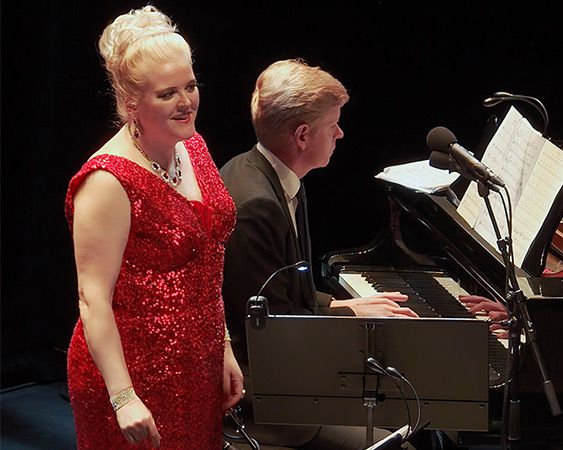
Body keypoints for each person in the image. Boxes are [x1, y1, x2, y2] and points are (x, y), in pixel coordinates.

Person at [65, 6, 243, 449]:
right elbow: (92, 298)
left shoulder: (193, 146)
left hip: (197, 365)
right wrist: (123, 397)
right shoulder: (107, 181)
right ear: (131, 103)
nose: (186, 102)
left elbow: (207, 265)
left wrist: (222, 344)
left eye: (190, 86)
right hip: (132, 374)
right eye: (168, 94)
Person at [219, 59, 419, 449]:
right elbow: (274, 328)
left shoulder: (271, 176)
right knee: (400, 434)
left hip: (284, 369)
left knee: (403, 413)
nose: (340, 133)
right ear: (303, 135)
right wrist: (351, 318)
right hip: (266, 403)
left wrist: (343, 305)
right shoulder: (257, 205)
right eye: (333, 125)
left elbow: (283, 294)